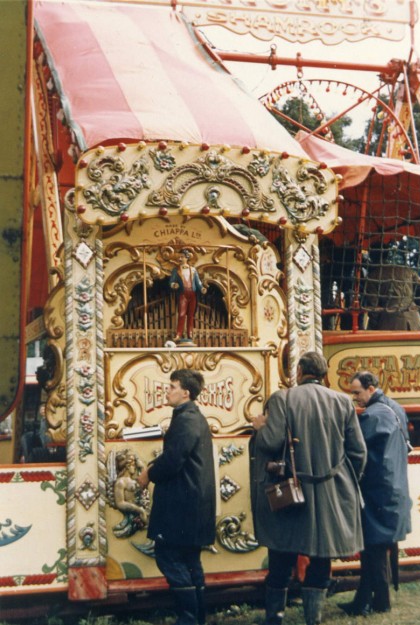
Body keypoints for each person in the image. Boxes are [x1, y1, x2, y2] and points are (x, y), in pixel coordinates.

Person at [250, 351, 367, 625]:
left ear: (300, 371)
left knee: (281, 553)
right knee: (321, 556)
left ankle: (275, 617)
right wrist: (344, 481)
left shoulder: (282, 398)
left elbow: (271, 442)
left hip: (290, 492)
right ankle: (313, 617)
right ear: (324, 374)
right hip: (330, 492)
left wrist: (259, 427)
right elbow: (358, 452)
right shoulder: (342, 401)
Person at [137, 369, 216, 625]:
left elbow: (173, 460)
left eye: (172, 386)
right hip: (193, 501)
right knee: (191, 561)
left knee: (168, 557)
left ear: (186, 392)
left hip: (182, 502)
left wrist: (149, 473)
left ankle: (188, 619)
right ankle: (197, 618)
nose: (168, 391)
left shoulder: (186, 420)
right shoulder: (193, 417)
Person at [345, 371, 412, 616]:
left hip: (377, 490)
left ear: (371, 389)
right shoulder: (395, 408)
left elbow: (357, 450)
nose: (355, 397)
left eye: (357, 392)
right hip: (394, 488)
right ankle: (366, 600)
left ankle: (378, 601)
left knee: (372, 548)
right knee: (377, 547)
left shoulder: (372, 416)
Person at [365, 239, 420, 330]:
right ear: (387, 254)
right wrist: (416, 308)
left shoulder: (372, 277)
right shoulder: (406, 270)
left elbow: (373, 308)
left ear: (371, 257)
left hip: (390, 324)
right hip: (414, 321)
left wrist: (372, 328)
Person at [170, 249, 207, 342]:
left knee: (191, 314)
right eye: (179, 257)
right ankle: (179, 334)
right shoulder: (176, 270)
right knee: (182, 314)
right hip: (183, 294)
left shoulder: (193, 270)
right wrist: (174, 285)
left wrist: (202, 288)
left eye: (182, 257)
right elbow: (171, 281)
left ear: (187, 258)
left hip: (192, 294)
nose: (180, 259)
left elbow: (198, 282)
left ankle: (190, 333)